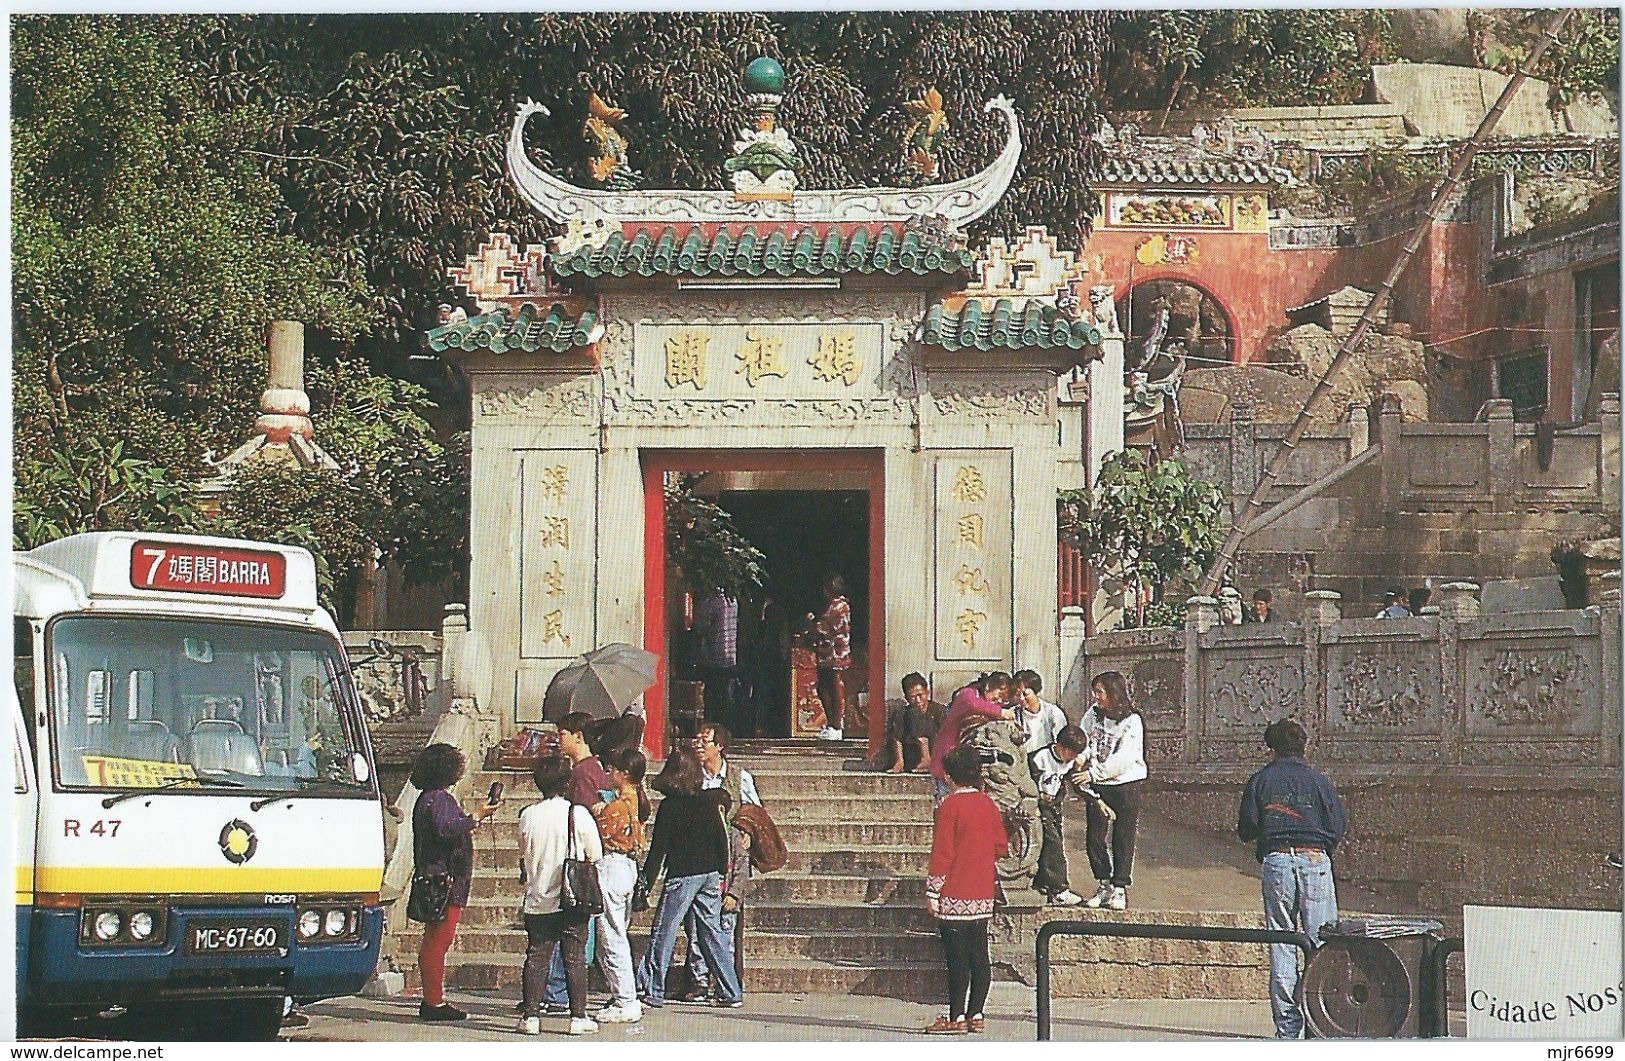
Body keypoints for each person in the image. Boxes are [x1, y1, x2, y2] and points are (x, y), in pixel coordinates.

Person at [1237, 719, 1348, 1040]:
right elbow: (1338, 825)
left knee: (1282, 944)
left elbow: (1247, 828)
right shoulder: (1319, 781)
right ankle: (1323, 1023)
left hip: (1277, 861)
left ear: (1270, 749)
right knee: (1323, 942)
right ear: (1304, 746)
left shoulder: (1261, 780)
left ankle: (1287, 1029)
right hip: (1315, 859)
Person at [635, 743, 743, 1010]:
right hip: (709, 874)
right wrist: (719, 873)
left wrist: (645, 885)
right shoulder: (709, 802)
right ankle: (731, 990)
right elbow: (721, 841)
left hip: (682, 875)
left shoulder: (670, 807)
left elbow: (658, 851)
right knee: (712, 932)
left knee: (665, 931)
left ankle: (653, 989)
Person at [922, 746, 1008, 1035]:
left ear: (949, 775)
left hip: (955, 890)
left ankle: (956, 1016)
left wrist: (933, 891)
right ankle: (977, 1013)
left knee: (957, 960)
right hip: (982, 890)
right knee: (979, 956)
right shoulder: (988, 804)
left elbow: (942, 853)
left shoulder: (949, 807)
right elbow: (1001, 846)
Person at [410, 743, 497, 1022]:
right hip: (444, 881)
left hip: (435, 877)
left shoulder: (428, 799)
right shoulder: (439, 800)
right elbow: (446, 830)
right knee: (438, 941)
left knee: (434, 941)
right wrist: (475, 817)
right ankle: (433, 1001)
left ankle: (432, 997)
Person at [516, 754, 602, 1036]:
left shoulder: (527, 815)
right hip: (571, 900)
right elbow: (595, 854)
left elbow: (524, 853)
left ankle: (530, 1016)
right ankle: (578, 1017)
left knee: (537, 957)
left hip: (538, 897)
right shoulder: (578, 814)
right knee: (574, 957)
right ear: (566, 783)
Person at [683, 722, 760, 1003]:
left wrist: (747, 834)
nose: (699, 745)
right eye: (699, 739)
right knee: (696, 928)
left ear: (720, 746)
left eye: (706, 740)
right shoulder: (692, 776)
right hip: (700, 858)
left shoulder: (739, 777)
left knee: (725, 931)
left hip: (730, 858)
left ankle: (727, 983)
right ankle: (698, 981)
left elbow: (755, 813)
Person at [541, 712, 611, 1012]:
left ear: (579, 736)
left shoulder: (582, 773)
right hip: (592, 859)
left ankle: (557, 990)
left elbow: (582, 818)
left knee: (568, 931)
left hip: (579, 861)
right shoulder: (597, 768)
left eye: (564, 734)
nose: (560, 740)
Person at [588, 747, 647, 1024]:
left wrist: (596, 812)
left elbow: (596, 834)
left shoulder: (618, 807)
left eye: (612, 770)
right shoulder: (636, 801)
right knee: (616, 932)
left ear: (624, 774)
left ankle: (626, 999)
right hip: (628, 868)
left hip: (612, 865)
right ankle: (624, 994)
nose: (608, 774)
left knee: (612, 937)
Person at [1079, 671, 1147, 910]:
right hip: (1099, 785)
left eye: (1101, 692)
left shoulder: (1132, 720)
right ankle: (1103, 882)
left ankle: (1119, 886)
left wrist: (1093, 773)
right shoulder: (1093, 715)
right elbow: (1085, 742)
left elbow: (1126, 758)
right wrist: (1083, 758)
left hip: (1125, 784)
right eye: (1095, 691)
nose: (1096, 697)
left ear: (1114, 693)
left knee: (1123, 835)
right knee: (1095, 837)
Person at [1028, 724, 1092, 906]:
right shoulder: (1040, 758)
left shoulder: (1069, 763)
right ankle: (1059, 888)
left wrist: (1097, 801)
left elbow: (1076, 783)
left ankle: (1044, 885)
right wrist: (1040, 796)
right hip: (1039, 807)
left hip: (1054, 807)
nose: (1072, 759)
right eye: (1071, 754)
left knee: (1055, 841)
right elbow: (1027, 782)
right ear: (1061, 747)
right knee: (1052, 843)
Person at [930, 673, 1015, 803]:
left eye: (1004, 701)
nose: (999, 702)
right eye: (999, 696)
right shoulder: (968, 694)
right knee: (947, 804)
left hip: (967, 766)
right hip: (947, 759)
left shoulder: (986, 704)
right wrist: (1002, 713)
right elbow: (974, 704)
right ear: (990, 686)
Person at [807, 572, 853, 741]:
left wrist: (811, 625)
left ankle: (837, 726)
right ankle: (830, 724)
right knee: (823, 687)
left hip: (836, 652)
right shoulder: (833, 605)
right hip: (826, 652)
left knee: (834, 688)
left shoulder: (839, 606)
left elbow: (823, 626)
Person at [882, 673, 946, 773]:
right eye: (912, 697)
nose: (918, 700)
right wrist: (899, 761)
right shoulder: (902, 714)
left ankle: (927, 760)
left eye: (920, 695)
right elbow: (897, 738)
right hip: (913, 756)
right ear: (907, 698)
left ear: (927, 693)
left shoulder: (940, 711)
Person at [694, 588, 740, 729]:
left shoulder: (711, 602)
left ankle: (711, 725)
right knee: (725, 694)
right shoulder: (733, 602)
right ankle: (725, 727)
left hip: (713, 655)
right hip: (730, 655)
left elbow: (701, 627)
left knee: (712, 694)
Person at [1012, 670, 1067, 758]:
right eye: (1018, 694)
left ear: (1036, 692)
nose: (1021, 698)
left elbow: (1062, 745)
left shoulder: (1053, 713)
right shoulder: (1014, 714)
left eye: (1025, 694)